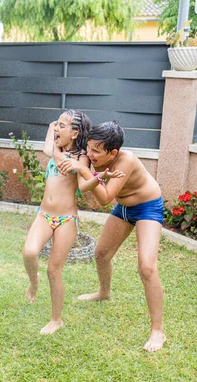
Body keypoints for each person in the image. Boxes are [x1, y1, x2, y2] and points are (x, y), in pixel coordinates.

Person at [57, 121, 166, 352]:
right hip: (124, 209)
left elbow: (105, 198)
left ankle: (158, 330)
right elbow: (84, 187)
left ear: (113, 152)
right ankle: (104, 293)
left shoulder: (126, 160)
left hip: (147, 207)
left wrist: (85, 169)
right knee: (101, 254)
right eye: (89, 148)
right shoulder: (89, 155)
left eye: (97, 151)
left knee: (147, 267)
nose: (90, 154)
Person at [23, 110, 124, 335]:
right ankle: (33, 281)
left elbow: (83, 186)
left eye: (62, 126)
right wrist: (55, 129)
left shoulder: (82, 158)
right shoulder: (55, 149)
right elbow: (47, 148)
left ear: (75, 132)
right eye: (57, 125)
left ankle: (56, 320)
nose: (57, 129)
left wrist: (97, 177)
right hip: (44, 214)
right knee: (29, 253)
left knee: (53, 270)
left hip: (66, 219)